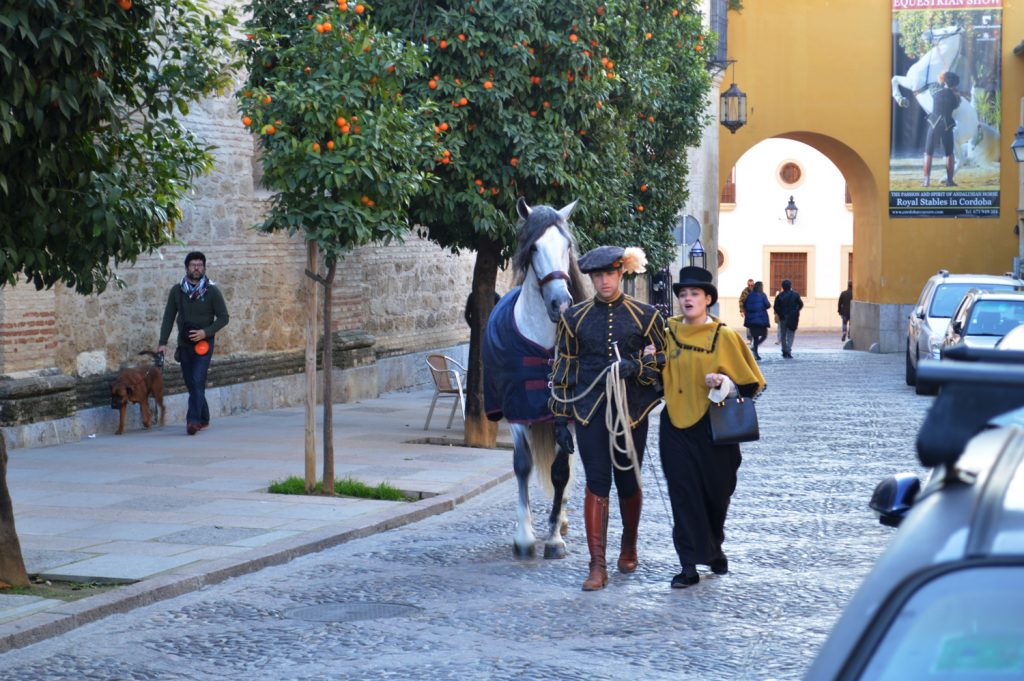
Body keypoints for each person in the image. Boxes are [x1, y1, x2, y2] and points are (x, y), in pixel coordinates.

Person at [549, 245, 665, 591]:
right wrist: (560, 417)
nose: (604, 281)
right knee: (597, 481)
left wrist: (636, 367)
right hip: (589, 413)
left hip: (630, 413)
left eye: (610, 274)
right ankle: (596, 564)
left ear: (622, 272)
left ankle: (629, 544)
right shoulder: (574, 318)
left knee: (628, 482)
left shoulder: (646, 316)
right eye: (597, 275)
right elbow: (564, 368)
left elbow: (663, 360)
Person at [659, 266, 765, 588]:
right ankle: (688, 564)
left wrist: (725, 381)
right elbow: (651, 373)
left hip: (714, 428)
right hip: (675, 425)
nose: (688, 299)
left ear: (708, 299)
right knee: (683, 494)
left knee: (716, 495)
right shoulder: (666, 333)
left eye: (695, 294)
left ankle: (715, 547)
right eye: (683, 294)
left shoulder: (725, 336)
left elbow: (751, 386)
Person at [158, 252, 229, 435]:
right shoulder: (177, 291)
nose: (196, 268)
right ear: (187, 267)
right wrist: (162, 342)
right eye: (193, 265)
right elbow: (168, 317)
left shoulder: (212, 291)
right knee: (192, 384)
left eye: (199, 265)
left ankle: (193, 421)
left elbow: (223, 317)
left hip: (204, 345)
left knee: (198, 379)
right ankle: (204, 417)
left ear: (204, 268)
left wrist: (206, 332)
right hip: (184, 344)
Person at [922, 71, 960, 188]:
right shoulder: (955, 97)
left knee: (928, 153)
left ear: (944, 81)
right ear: (954, 84)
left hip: (934, 124)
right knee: (949, 154)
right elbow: (956, 105)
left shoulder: (935, 91)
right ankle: (949, 181)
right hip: (947, 125)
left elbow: (931, 85)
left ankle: (926, 181)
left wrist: (942, 79)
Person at [773, 279, 804, 359]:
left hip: (783, 318)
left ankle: (784, 351)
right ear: (790, 286)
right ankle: (789, 351)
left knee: (783, 335)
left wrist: (780, 314)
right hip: (793, 317)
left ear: (782, 287)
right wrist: (796, 311)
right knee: (791, 335)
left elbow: (776, 307)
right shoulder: (796, 295)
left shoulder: (780, 295)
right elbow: (801, 304)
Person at [743, 281, 771, 360]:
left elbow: (745, 305)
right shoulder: (762, 295)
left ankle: (756, 353)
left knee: (755, 337)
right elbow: (767, 305)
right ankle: (754, 349)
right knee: (764, 335)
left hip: (752, 320)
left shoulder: (750, 295)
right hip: (761, 319)